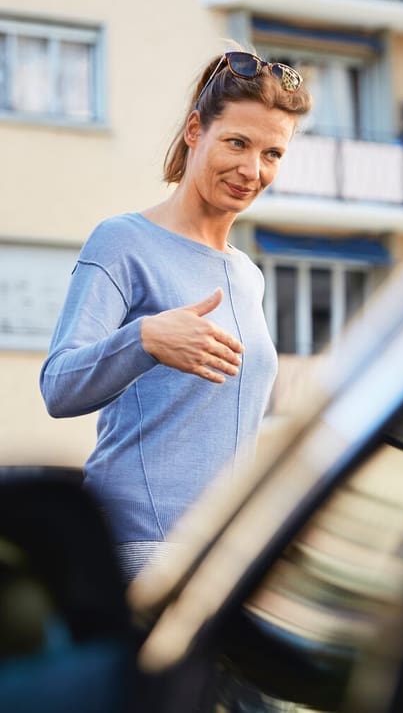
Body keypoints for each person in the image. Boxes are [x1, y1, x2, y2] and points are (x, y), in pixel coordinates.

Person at [40, 46, 312, 583]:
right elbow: (57, 386)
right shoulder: (123, 242)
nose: (251, 169)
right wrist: (145, 338)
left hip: (221, 557)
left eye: (272, 154)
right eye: (237, 142)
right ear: (195, 131)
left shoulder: (248, 276)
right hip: (137, 552)